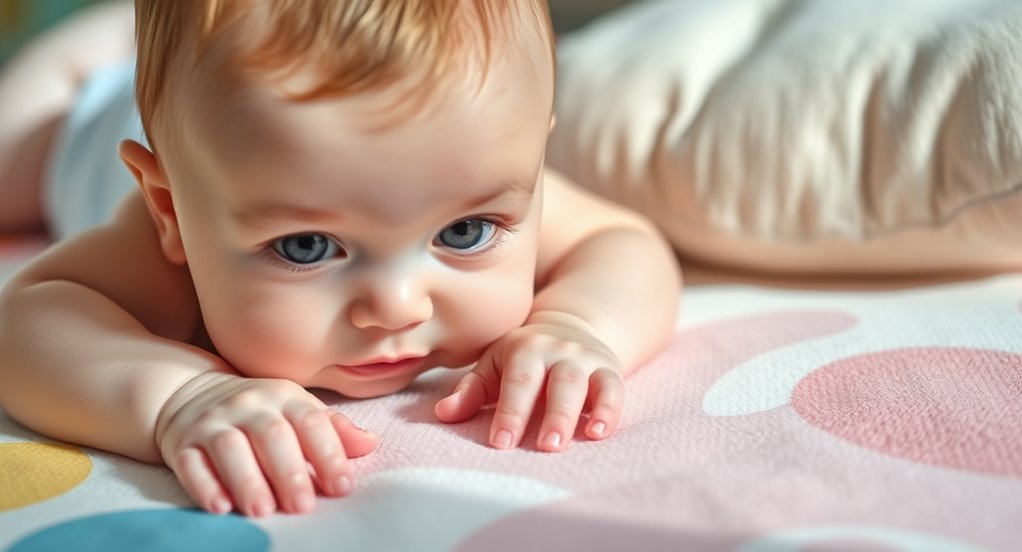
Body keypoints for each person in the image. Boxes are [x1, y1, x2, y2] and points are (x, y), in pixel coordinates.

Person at [0, 0, 681, 517]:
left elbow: (623, 244)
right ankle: (93, 40)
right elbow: (28, 321)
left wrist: (578, 323)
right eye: (308, 247)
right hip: (77, 131)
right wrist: (178, 394)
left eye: (466, 232)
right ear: (171, 211)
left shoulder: (474, 168)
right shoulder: (157, 244)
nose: (396, 306)